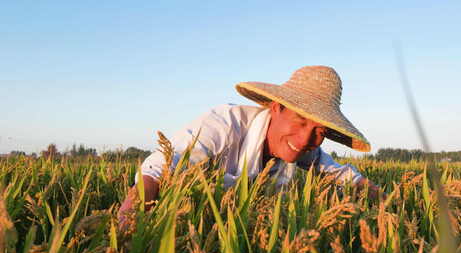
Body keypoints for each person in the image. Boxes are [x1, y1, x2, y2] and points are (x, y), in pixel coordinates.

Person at [118, 65, 381, 221]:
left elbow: (345, 176)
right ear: (277, 108)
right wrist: (130, 225)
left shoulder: (305, 148)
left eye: (320, 131)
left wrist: (390, 208)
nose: (305, 140)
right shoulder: (224, 124)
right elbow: (159, 167)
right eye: (300, 121)